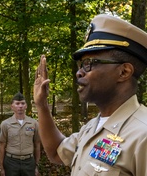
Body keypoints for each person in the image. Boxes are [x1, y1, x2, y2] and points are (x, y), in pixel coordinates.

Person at [33, 14, 147, 175]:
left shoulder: (142, 134)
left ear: (124, 72)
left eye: (89, 64)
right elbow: (56, 152)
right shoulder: (92, 127)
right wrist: (41, 105)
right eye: (81, 65)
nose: (79, 73)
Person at [0, 92, 41, 176]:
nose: (20, 106)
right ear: (12, 106)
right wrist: (2, 167)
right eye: (17, 103)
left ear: (26, 106)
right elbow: (2, 146)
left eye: (22, 103)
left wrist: (36, 165)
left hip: (29, 162)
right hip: (11, 162)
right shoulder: (5, 124)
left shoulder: (34, 123)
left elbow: (37, 144)